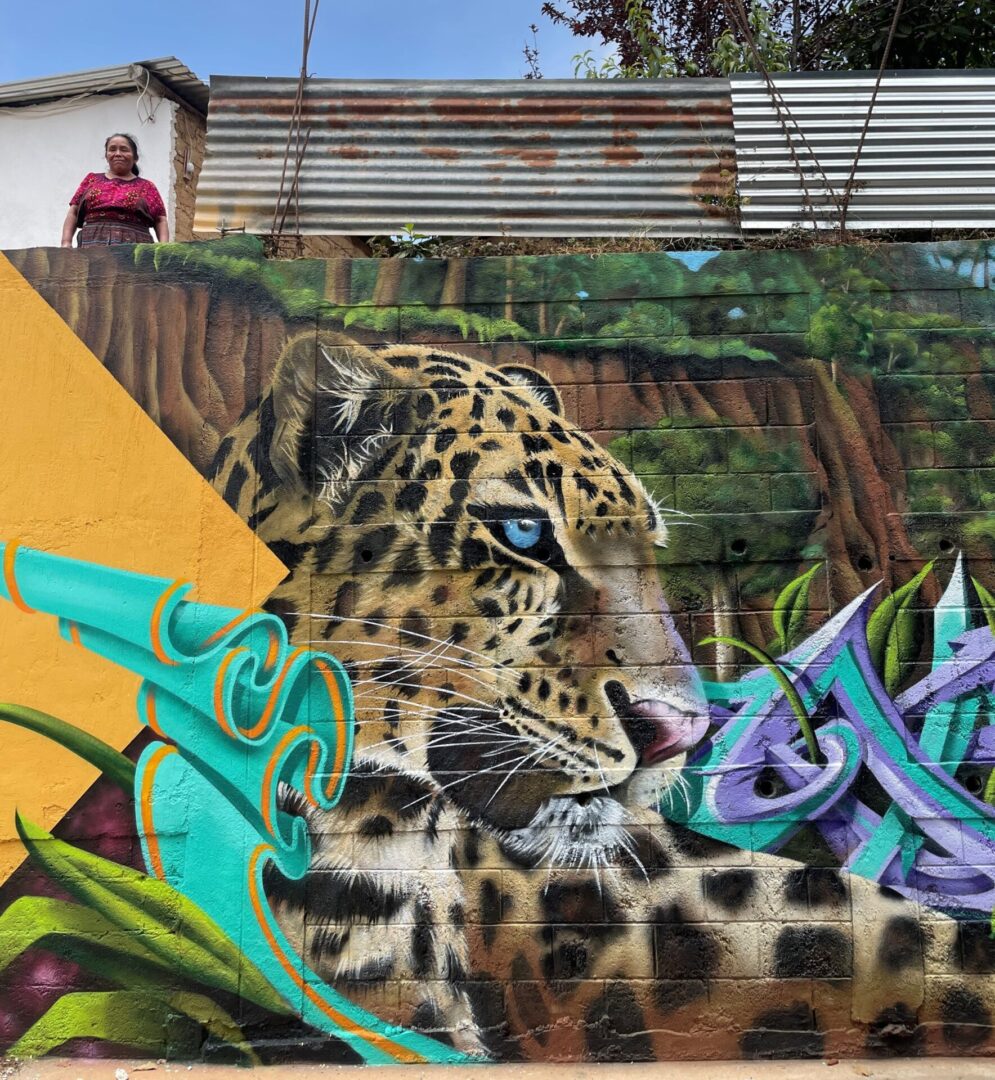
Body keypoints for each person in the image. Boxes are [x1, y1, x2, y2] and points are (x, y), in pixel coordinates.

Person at [61, 134, 169, 247]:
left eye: (124, 149)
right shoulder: (91, 179)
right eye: (112, 149)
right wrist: (66, 242)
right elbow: (74, 211)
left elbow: (160, 219)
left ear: (135, 157)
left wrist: (163, 248)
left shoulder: (147, 186)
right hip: (91, 245)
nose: (117, 154)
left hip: (134, 250)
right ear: (107, 156)